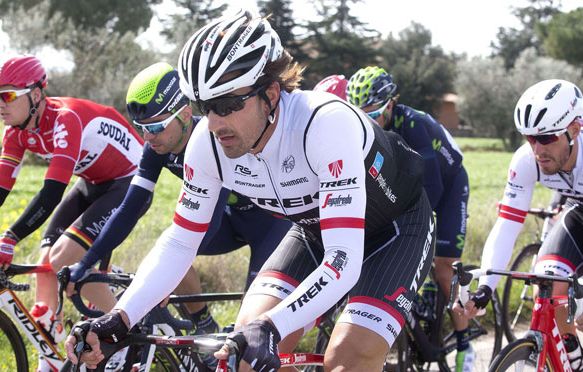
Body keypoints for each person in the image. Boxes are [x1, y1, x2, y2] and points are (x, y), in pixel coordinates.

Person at [65, 10, 436, 372]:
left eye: (226, 104)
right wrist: (119, 317)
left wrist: (273, 326)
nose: (213, 122)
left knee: (347, 358)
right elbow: (180, 242)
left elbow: (344, 260)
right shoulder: (207, 143)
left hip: (395, 229)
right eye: (205, 106)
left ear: (271, 94)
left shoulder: (324, 124)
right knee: (243, 353)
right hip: (315, 230)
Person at [68, 61, 293, 338]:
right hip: (230, 222)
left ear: (186, 114)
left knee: (250, 331)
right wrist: (85, 262)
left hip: (269, 226)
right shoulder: (155, 149)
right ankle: (203, 325)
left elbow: (207, 225)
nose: (149, 137)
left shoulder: (213, 141)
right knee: (168, 246)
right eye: (141, 128)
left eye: (158, 126)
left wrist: (163, 281)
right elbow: (130, 207)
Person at [0, 55, 145, 371]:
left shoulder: (65, 119)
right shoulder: (16, 132)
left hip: (130, 183)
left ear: (36, 94)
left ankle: (125, 336)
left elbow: (52, 193)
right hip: (94, 182)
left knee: (64, 257)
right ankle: (49, 350)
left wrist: (10, 236)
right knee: (45, 260)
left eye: (7, 95)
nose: (1, 104)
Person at [344, 65, 473, 370]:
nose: (367, 122)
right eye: (359, 115)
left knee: (443, 267)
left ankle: (466, 347)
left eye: (373, 114)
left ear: (391, 103)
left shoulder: (414, 124)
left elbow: (432, 189)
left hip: (449, 184)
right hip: (412, 188)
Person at [459, 79, 583, 371]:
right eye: (530, 138)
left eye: (548, 138)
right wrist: (486, 288)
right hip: (579, 213)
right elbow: (506, 225)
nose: (538, 149)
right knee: (548, 280)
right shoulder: (526, 161)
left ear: (574, 130)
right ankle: (573, 359)